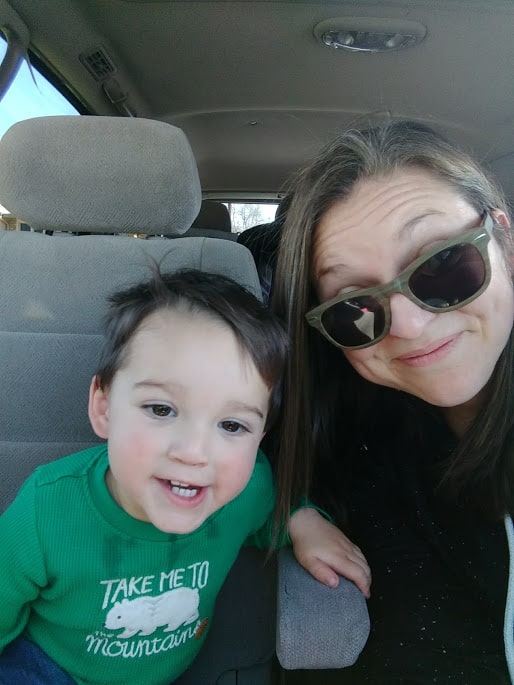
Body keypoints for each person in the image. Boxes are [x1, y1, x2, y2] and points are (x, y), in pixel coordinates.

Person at [0, 268, 370, 685]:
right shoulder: (43, 511)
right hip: (49, 670)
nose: (194, 453)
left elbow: (273, 511)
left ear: (260, 436)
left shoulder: (246, 491)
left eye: (232, 426)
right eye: (161, 409)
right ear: (104, 408)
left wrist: (304, 523)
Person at [271, 120, 514, 683]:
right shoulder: (352, 434)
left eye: (443, 265)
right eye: (352, 306)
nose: (407, 324)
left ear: (503, 239)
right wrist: (294, 511)